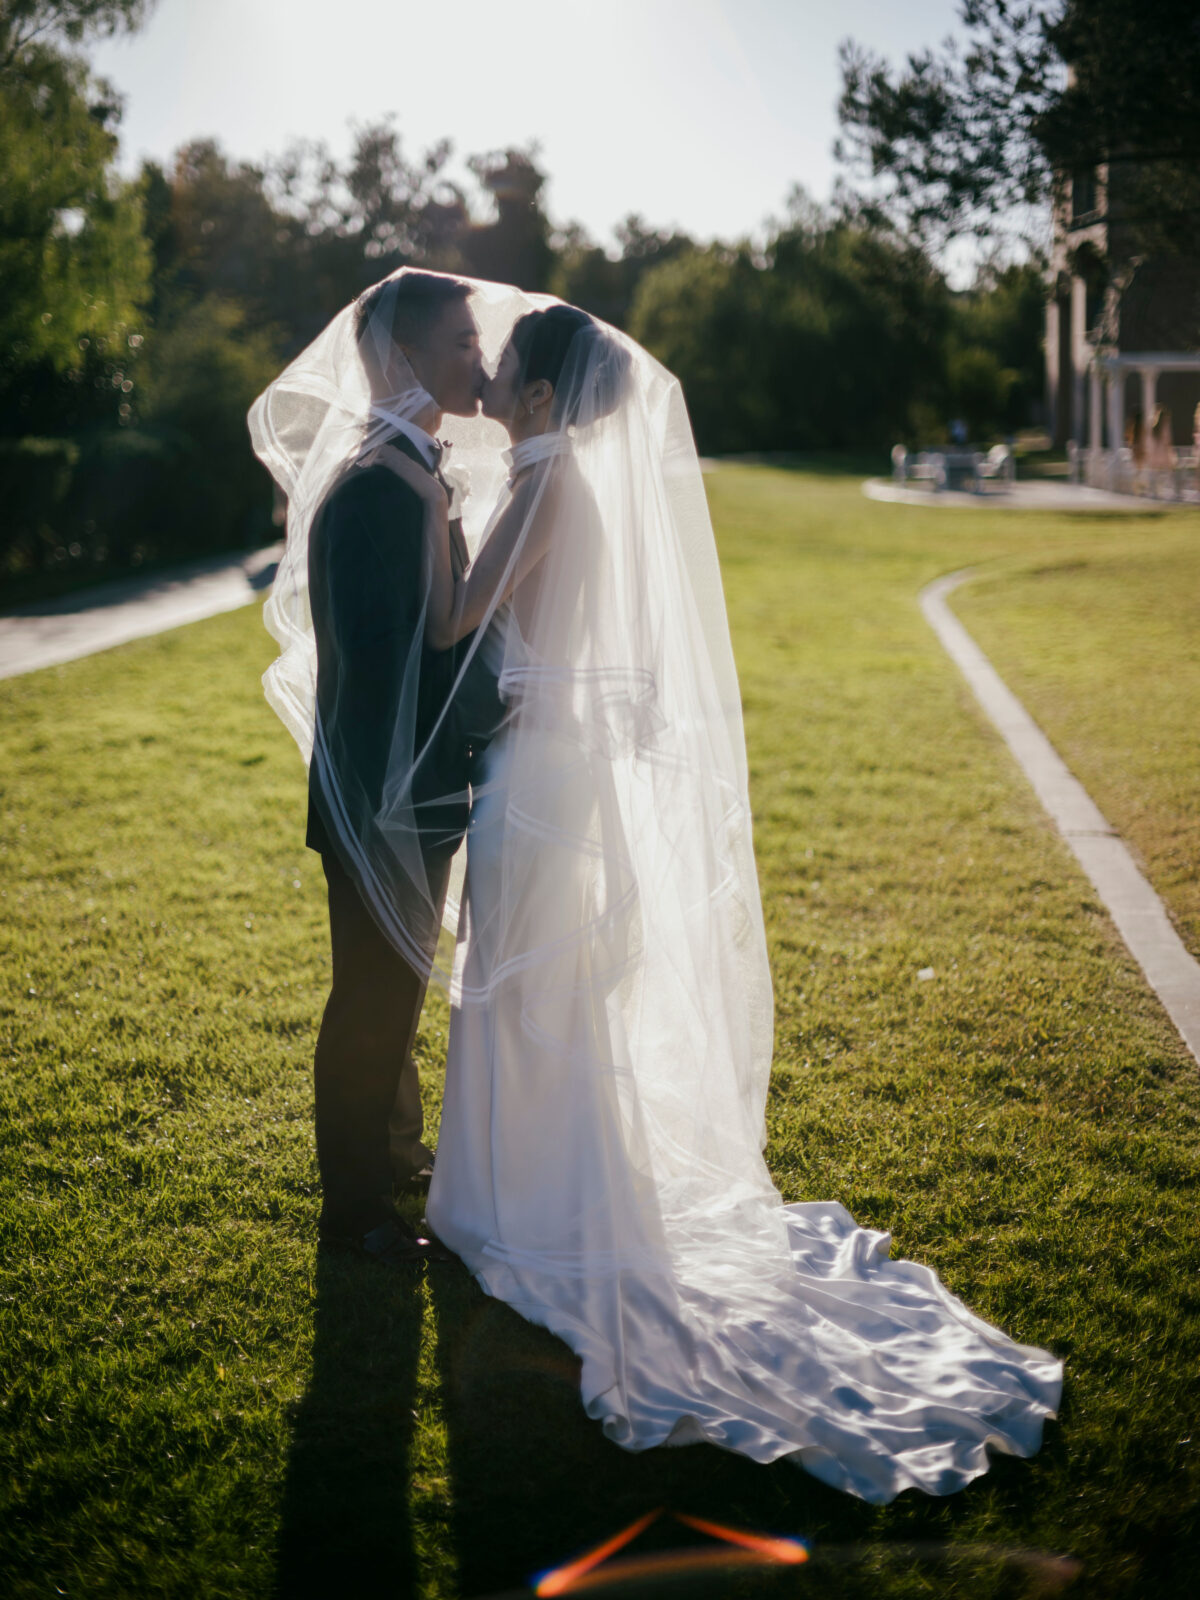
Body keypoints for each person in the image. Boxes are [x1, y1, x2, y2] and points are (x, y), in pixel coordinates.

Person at [369, 286, 1062, 1505]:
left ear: (537, 398)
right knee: (543, 996)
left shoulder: (538, 485)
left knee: (532, 996)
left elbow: (450, 622)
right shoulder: (561, 482)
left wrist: (429, 502)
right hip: (550, 773)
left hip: (537, 786)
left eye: (505, 366)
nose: (485, 380)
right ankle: (513, 1197)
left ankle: (531, 1211)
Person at [249, 271, 503, 1263]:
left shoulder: (414, 469)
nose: (477, 361)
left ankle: (395, 1156)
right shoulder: (375, 490)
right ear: (399, 358)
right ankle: (354, 1211)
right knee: (370, 999)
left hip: (411, 789)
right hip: (382, 795)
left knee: (391, 996)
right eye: (457, 343)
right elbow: (392, 668)